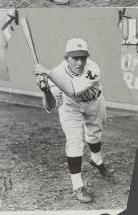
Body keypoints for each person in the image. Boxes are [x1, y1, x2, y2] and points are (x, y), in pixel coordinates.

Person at [34, 38, 110, 203]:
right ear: (66, 57)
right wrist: (46, 91)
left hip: (94, 101)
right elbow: (51, 106)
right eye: (75, 58)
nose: (80, 62)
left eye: (83, 57)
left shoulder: (93, 68)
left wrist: (48, 73)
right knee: (74, 142)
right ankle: (78, 186)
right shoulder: (57, 72)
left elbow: (72, 89)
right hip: (70, 107)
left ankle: (96, 160)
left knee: (95, 134)